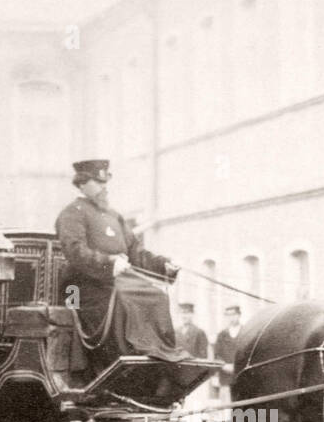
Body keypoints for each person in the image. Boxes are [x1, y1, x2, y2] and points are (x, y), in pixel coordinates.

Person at [55, 159, 187, 381]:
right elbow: (75, 251)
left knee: (156, 296)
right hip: (78, 288)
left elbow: (136, 252)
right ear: (81, 184)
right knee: (121, 301)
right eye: (98, 182)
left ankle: (159, 355)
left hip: (115, 281)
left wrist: (163, 265)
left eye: (105, 182)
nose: (104, 187)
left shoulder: (114, 216)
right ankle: (121, 362)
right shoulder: (72, 213)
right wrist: (109, 263)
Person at [212, 305, 243, 400]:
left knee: (241, 406)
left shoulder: (245, 332)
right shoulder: (222, 335)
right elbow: (217, 354)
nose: (231, 318)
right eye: (228, 315)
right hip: (225, 376)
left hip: (241, 375)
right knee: (226, 406)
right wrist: (224, 366)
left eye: (234, 314)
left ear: (239, 315)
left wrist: (237, 366)